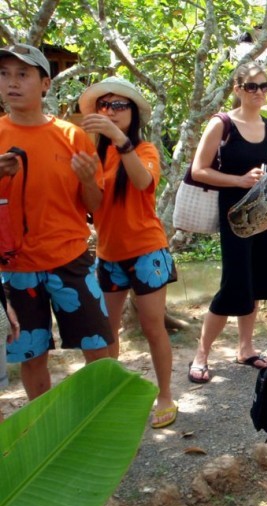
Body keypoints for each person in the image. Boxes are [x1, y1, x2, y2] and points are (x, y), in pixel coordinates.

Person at [0, 43, 112, 401]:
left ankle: (98, 421)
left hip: (70, 261)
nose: (11, 83)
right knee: (32, 359)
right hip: (16, 271)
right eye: (4, 74)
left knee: (99, 352)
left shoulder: (71, 135)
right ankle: (46, 428)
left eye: (22, 74)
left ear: (45, 83)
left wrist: (85, 178)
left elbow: (94, 204)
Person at [78, 76, 179, 429]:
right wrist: (87, 178)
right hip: (108, 255)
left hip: (146, 252)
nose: (109, 111)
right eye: (103, 105)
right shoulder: (94, 154)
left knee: (153, 328)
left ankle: (165, 394)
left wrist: (121, 141)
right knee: (106, 331)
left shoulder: (146, 150)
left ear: (133, 113)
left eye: (118, 105)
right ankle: (111, 398)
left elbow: (142, 182)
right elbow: (93, 207)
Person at [188, 61, 267, 383]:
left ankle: (246, 348)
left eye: (264, 86)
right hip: (233, 212)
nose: (259, 92)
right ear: (238, 89)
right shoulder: (222, 124)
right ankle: (201, 353)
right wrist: (239, 180)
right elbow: (199, 170)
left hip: (262, 214)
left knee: (255, 280)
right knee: (233, 283)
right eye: (252, 86)